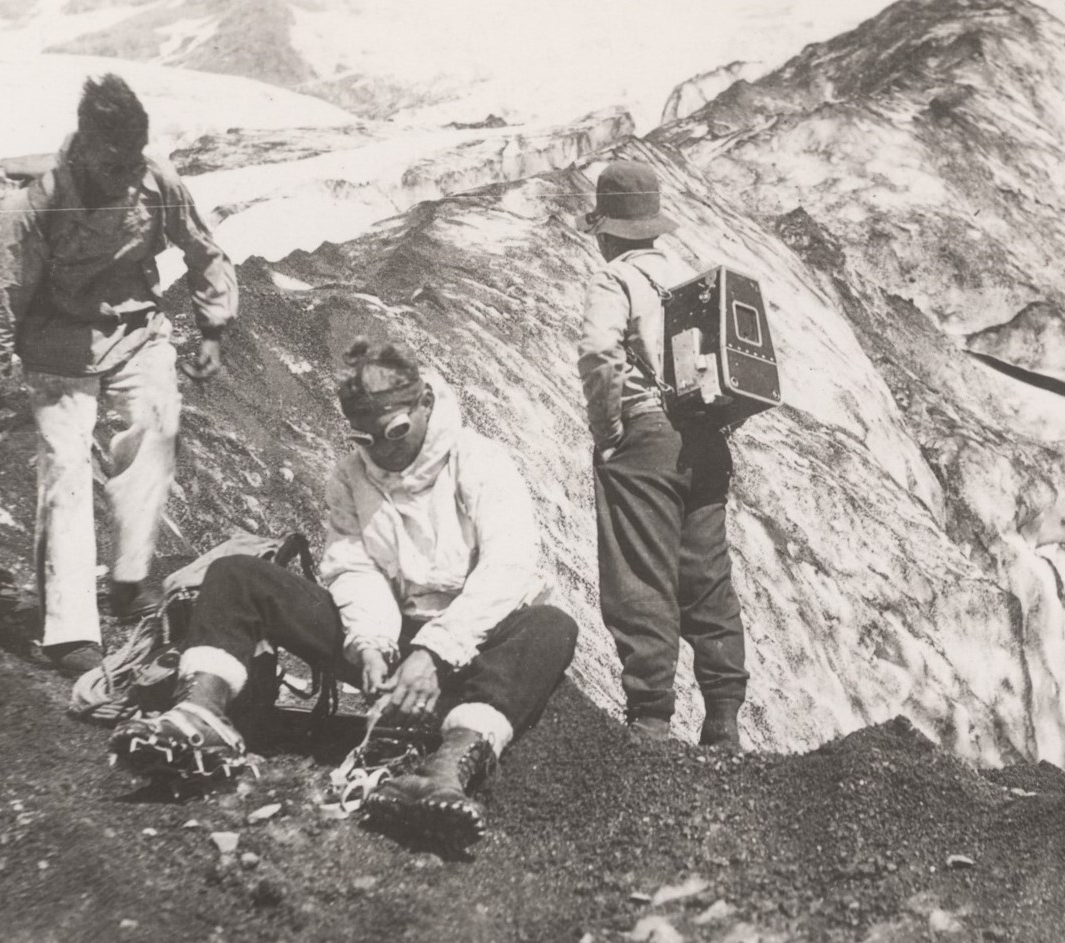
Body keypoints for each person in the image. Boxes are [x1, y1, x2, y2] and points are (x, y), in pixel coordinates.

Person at [110, 338, 578, 844]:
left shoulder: (480, 462)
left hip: (468, 647)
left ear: (424, 403)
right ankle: (201, 712)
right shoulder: (350, 476)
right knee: (237, 576)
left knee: (552, 627)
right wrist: (370, 644)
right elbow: (353, 567)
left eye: (394, 430)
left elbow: (507, 569)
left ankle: (446, 767)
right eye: (366, 436)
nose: (382, 448)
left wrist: (435, 654)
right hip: (391, 640)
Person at [0, 74, 237, 677]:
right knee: (65, 470)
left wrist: (212, 328)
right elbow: (3, 301)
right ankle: (69, 629)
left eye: (133, 158)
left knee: (155, 430)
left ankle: (130, 579)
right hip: (56, 343)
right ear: (84, 146)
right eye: (114, 162)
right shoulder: (34, 206)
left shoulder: (155, 180)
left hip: (135, 329)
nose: (125, 174)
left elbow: (202, 249)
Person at [575, 160, 748, 750]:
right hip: (706, 440)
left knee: (641, 575)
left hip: (646, 437)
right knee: (706, 577)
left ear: (606, 232)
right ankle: (723, 720)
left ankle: (650, 722)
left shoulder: (615, 279)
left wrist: (609, 432)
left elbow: (600, 352)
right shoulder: (686, 274)